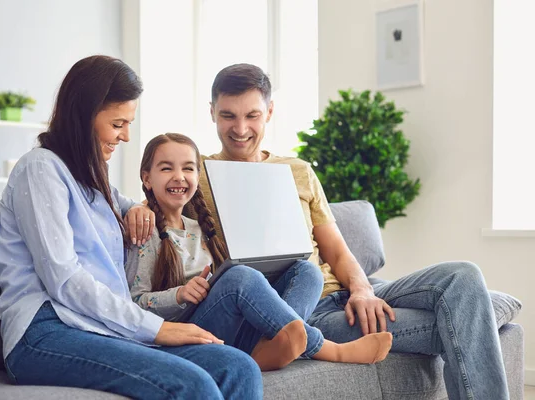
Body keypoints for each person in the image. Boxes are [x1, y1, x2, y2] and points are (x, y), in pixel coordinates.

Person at [131, 63, 510, 400]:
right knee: (467, 321)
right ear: (212, 113)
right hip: (293, 311)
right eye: (228, 115)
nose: (241, 128)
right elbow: (161, 200)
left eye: (252, 115)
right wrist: (136, 207)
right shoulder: (199, 173)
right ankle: (283, 338)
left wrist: (362, 290)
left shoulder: (299, 170)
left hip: (337, 292)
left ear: (270, 113)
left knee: (463, 277)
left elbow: (338, 251)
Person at [0, 55, 264, 400]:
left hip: (102, 328)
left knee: (238, 367)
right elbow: (64, 280)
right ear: (84, 115)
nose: (125, 136)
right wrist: (157, 328)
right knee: (192, 385)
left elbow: (123, 202)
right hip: (46, 331)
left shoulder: (93, 177)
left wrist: (138, 207)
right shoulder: (41, 170)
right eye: (118, 123)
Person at [124, 132, 392, 371]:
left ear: (198, 176)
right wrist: (180, 295)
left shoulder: (199, 228)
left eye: (188, 168)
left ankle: (267, 347)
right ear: (147, 178)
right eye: (166, 168)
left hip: (229, 327)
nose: (179, 176)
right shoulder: (144, 233)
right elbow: (134, 305)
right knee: (239, 276)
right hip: (187, 334)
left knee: (307, 271)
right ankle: (330, 350)